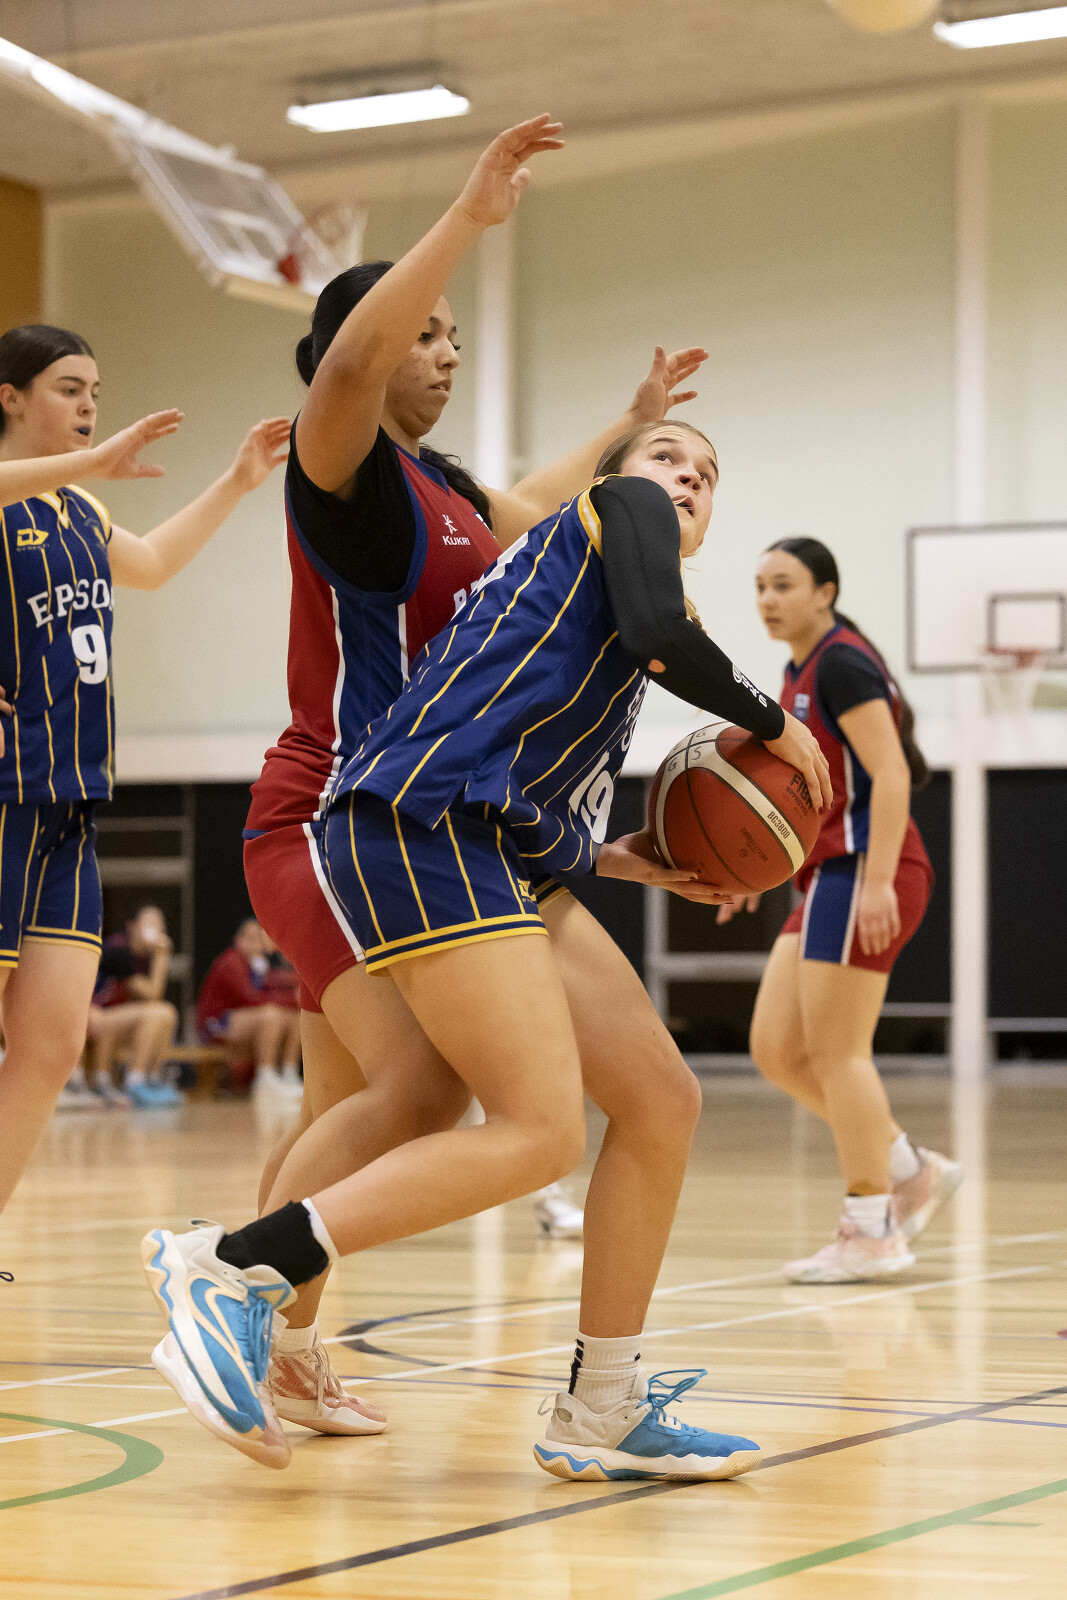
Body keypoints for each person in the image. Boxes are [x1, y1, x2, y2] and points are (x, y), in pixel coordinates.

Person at [142, 407, 832, 1481]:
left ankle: (602, 1402)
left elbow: (531, 765)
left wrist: (616, 857)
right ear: (613, 480)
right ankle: (235, 1268)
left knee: (660, 1099)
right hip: (424, 820)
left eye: (706, 471)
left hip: (487, 839)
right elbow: (658, 630)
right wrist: (774, 718)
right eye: (666, 454)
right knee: (537, 1131)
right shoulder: (617, 520)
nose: (686, 475)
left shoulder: (610, 605)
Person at [240, 114, 713, 1426]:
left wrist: (632, 426)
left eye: (453, 335)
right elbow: (347, 367)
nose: (443, 352)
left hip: (447, 825)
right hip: (334, 811)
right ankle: (242, 1307)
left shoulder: (444, 495)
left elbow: (537, 509)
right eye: (427, 333)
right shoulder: (344, 471)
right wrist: (465, 218)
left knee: (371, 1094)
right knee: (417, 1090)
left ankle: (279, 1340)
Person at [0, 321, 290, 1212]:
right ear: (9, 397)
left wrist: (235, 482)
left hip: (73, 803)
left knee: (51, 1047)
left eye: (95, 390)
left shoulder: (79, 511)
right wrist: (92, 463)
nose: (89, 405)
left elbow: (156, 564)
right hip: (5, 795)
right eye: (68, 388)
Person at [717, 538, 962, 1285]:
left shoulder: (843, 662)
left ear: (824, 592)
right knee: (777, 1049)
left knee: (837, 1053)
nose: (767, 599)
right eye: (760, 586)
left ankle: (871, 1226)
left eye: (783, 585)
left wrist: (878, 881)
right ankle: (909, 1167)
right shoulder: (797, 670)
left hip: (863, 871)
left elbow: (890, 773)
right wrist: (757, 866)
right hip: (825, 875)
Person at [87, 904, 181, 1107]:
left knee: (167, 1014)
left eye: (159, 925)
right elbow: (153, 994)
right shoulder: (119, 949)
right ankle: (135, 1081)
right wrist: (163, 957)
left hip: (116, 1019)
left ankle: (153, 1078)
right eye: (149, 923)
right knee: (158, 1012)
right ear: (133, 927)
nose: (154, 929)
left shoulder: (146, 956)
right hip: (93, 1014)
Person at [196, 920, 302, 1100]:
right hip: (215, 1024)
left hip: (243, 1020)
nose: (256, 944)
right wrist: (292, 999)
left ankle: (289, 1072)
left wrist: (298, 991)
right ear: (238, 940)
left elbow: (274, 985)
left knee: (295, 1017)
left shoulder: (258, 964)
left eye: (259, 939)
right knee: (271, 1015)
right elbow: (250, 997)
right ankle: (265, 1076)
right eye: (251, 938)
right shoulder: (230, 960)